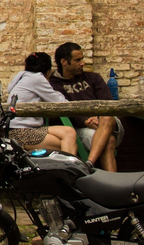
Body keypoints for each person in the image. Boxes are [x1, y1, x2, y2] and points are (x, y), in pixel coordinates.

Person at [50, 42, 124, 172]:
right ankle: (113, 186)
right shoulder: (53, 85)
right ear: (64, 62)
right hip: (82, 128)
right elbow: (60, 113)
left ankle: (89, 163)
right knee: (108, 141)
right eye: (78, 60)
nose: (82, 63)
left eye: (82, 59)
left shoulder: (93, 78)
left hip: (108, 123)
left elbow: (108, 103)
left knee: (107, 116)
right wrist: (85, 120)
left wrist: (97, 119)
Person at [6, 52, 78, 155]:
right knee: (70, 143)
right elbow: (60, 102)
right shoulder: (36, 79)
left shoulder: (24, 78)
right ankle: (67, 168)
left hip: (23, 130)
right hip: (21, 133)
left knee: (69, 132)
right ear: (48, 71)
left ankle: (68, 166)